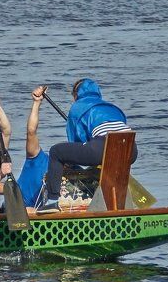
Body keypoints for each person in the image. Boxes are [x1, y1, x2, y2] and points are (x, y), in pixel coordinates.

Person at [39, 78, 137, 212]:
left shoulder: (77, 107)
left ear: (76, 95)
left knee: (56, 152)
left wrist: (69, 163)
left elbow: (75, 141)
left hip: (102, 146)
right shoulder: (111, 107)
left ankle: (51, 202)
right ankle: (117, 202)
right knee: (102, 156)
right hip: (131, 150)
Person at [15, 85, 50, 208]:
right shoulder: (38, 158)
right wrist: (37, 102)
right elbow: (31, 131)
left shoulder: (74, 169)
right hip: (17, 210)